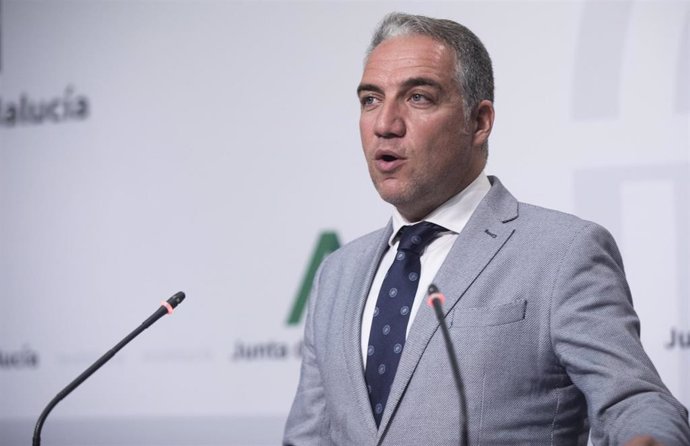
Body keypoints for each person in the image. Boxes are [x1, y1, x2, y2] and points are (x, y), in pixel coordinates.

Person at [283, 12, 690, 445]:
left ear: (479, 122)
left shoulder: (562, 253)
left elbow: (635, 401)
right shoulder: (336, 275)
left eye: (418, 97)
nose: (385, 124)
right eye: (370, 100)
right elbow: (310, 436)